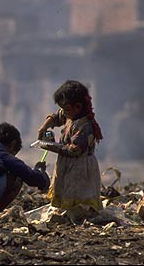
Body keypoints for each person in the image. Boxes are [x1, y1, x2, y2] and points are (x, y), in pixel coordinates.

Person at [37, 80, 103, 212]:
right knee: (64, 192)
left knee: (78, 199)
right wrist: (44, 126)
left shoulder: (84, 126)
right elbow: (57, 116)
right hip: (66, 164)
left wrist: (50, 146)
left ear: (78, 107)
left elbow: (74, 150)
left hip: (80, 167)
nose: (64, 112)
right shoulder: (70, 114)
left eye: (66, 109)